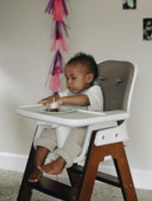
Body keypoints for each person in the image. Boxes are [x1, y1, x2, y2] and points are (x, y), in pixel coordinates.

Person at [28, 52, 103, 182]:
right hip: (65, 126)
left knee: (76, 136)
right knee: (47, 136)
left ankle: (60, 162)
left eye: (73, 78)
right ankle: (37, 167)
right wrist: (48, 100)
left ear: (89, 78)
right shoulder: (67, 93)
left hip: (85, 128)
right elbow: (58, 97)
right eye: (67, 78)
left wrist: (64, 99)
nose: (68, 83)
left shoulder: (94, 91)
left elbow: (84, 100)